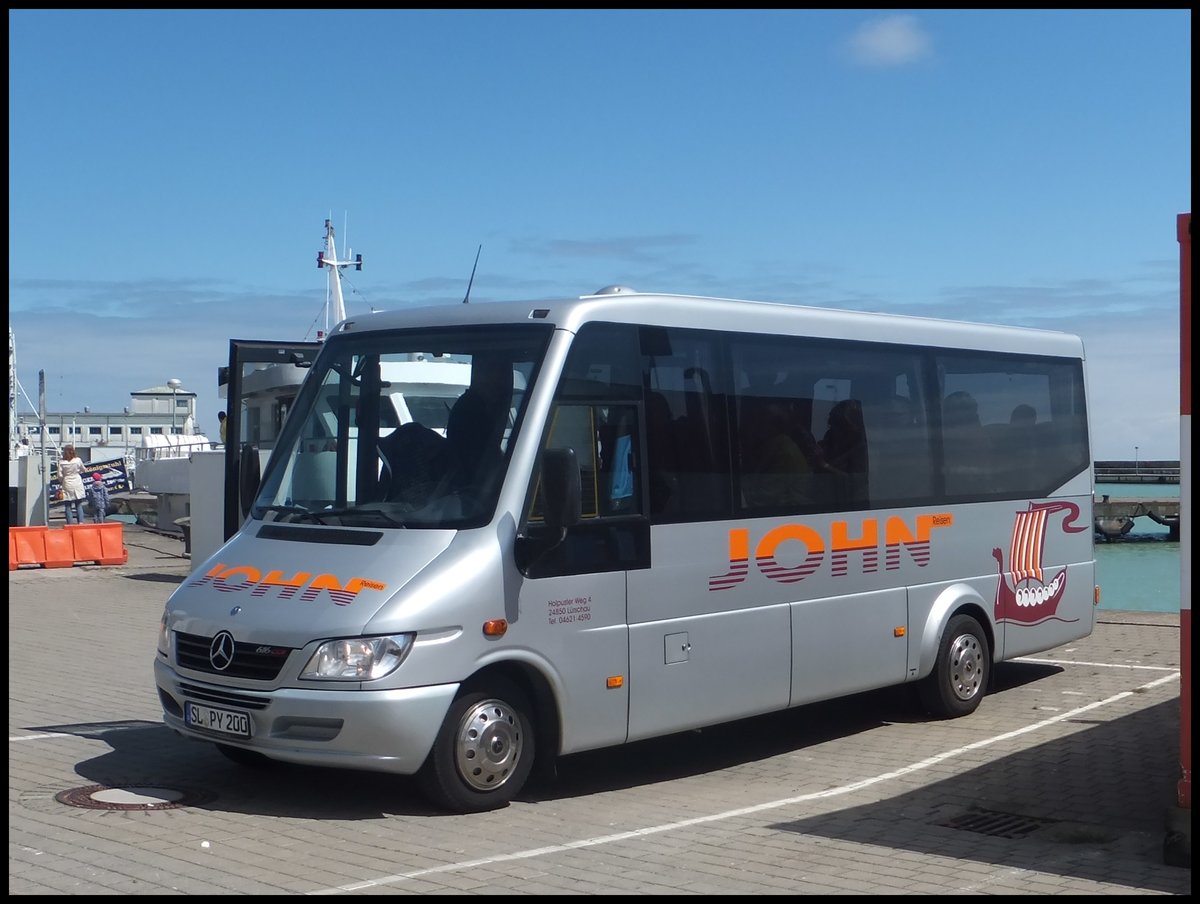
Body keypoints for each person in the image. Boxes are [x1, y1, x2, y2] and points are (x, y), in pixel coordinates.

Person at [59, 444, 87, 524]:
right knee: (78, 504)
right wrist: (79, 472)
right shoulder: (78, 460)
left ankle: (70, 523)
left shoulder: (62, 462)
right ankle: (81, 522)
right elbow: (84, 470)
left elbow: (60, 475)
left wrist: (62, 481)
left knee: (68, 505)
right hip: (77, 482)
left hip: (67, 482)